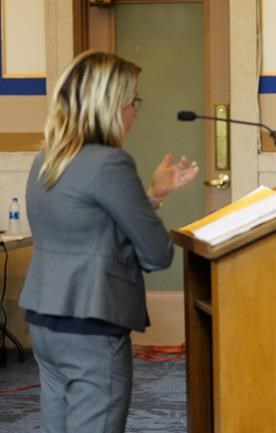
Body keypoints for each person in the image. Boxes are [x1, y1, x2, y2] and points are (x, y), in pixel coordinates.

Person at [19, 50, 199, 433]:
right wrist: (152, 205)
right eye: (133, 101)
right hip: (91, 324)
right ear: (109, 105)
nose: (136, 112)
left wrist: (153, 194)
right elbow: (157, 253)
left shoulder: (47, 158)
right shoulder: (110, 163)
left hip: (45, 319)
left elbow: (90, 229)